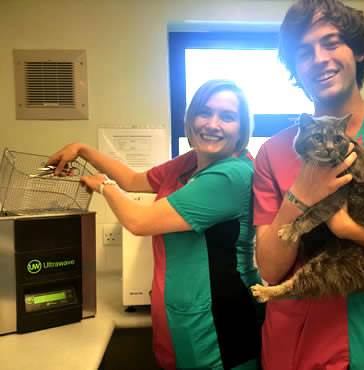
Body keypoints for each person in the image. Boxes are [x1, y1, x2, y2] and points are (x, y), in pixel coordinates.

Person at [48, 79, 264, 370]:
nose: (213, 124)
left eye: (227, 116)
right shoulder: (190, 162)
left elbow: (139, 221)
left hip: (221, 317)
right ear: (190, 118)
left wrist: (103, 187)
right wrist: (82, 149)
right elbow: (133, 180)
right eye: (204, 112)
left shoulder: (230, 176)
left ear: (241, 128)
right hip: (177, 311)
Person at [253, 0, 364, 369]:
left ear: (361, 51)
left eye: (332, 42)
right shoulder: (274, 152)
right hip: (303, 341)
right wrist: (301, 194)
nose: (319, 58)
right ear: (295, 70)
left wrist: (348, 229)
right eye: (304, 52)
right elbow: (270, 269)